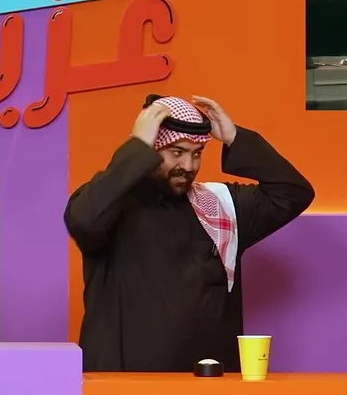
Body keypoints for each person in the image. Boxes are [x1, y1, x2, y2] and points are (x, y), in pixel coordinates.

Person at [65, 94, 315, 372]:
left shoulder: (219, 205)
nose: (188, 166)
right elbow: (83, 220)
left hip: (208, 385)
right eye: (177, 152)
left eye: (196, 154)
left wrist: (234, 137)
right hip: (125, 386)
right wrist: (136, 146)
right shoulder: (111, 204)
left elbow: (292, 193)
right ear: (151, 148)